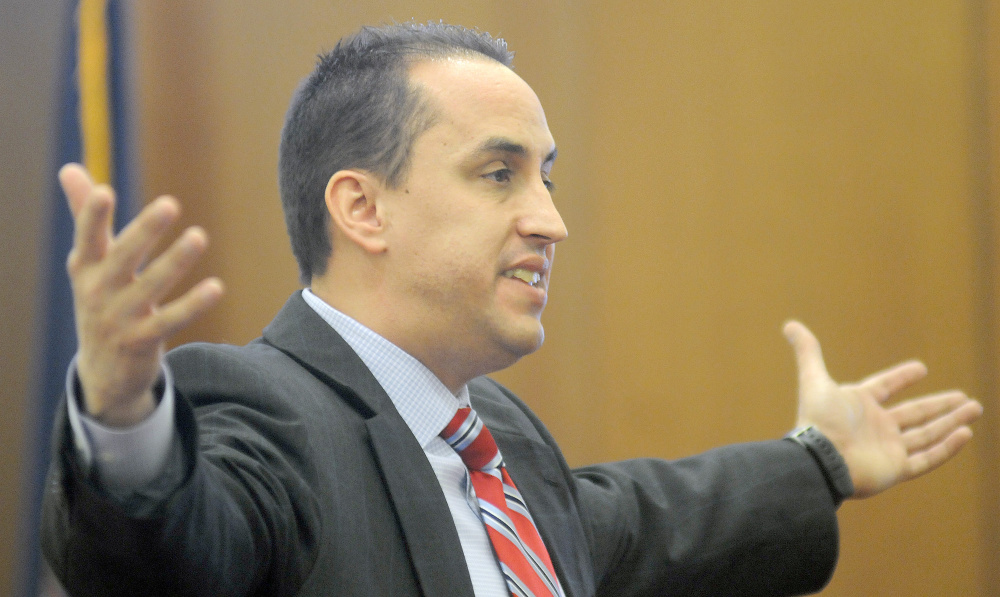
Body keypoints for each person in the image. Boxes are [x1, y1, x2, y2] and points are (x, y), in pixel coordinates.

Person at [41, 21, 983, 597]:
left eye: (547, 177)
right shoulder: (262, 408)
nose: (552, 221)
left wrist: (817, 460)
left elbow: (651, 521)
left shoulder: (496, 440)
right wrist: (124, 418)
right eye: (499, 174)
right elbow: (169, 561)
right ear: (362, 208)